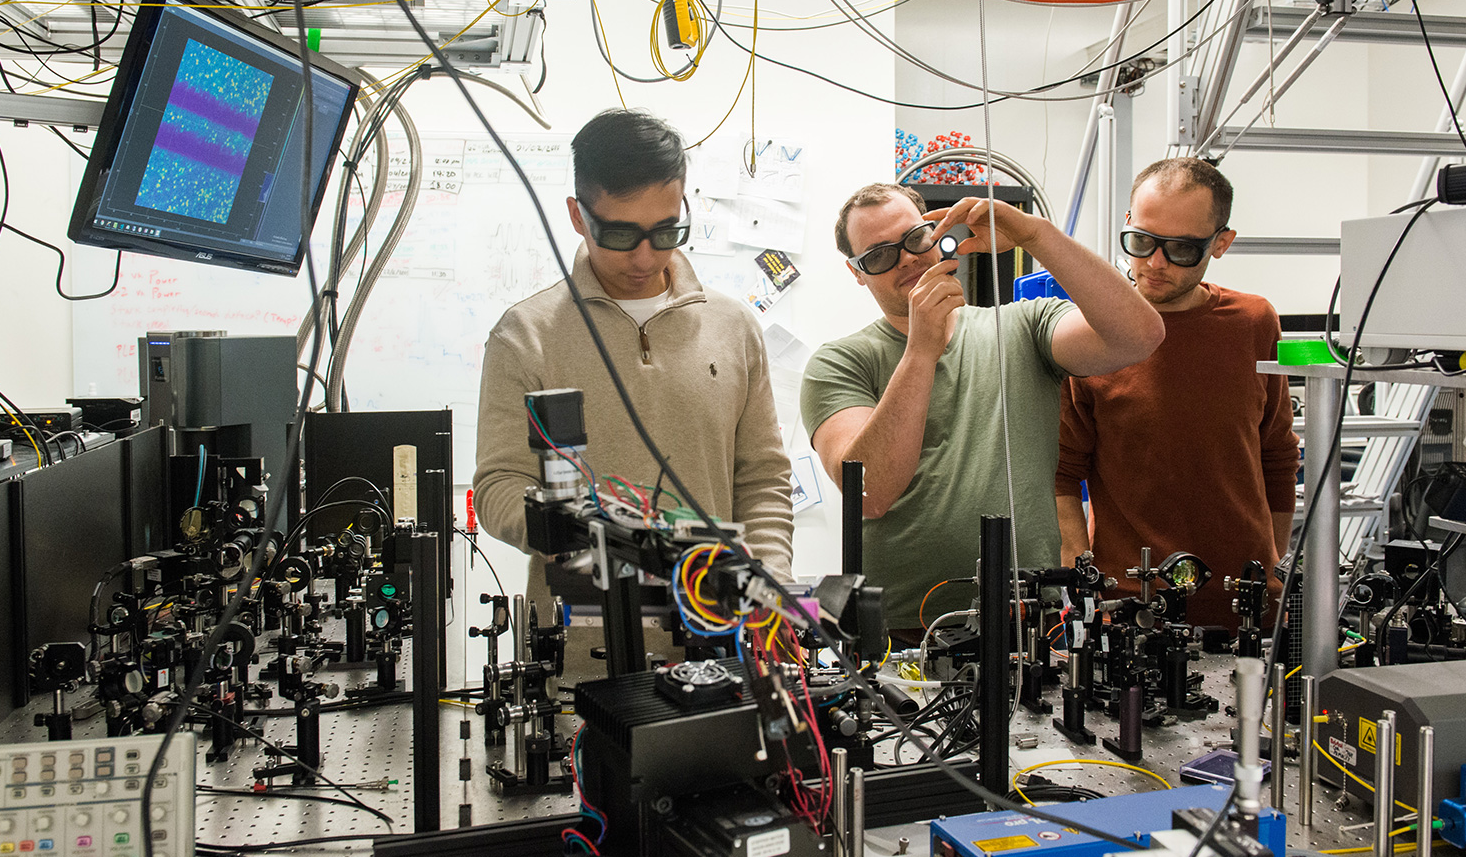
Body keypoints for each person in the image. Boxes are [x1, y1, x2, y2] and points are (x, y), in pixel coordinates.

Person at [473, 109, 795, 669]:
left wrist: (769, 590)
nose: (645, 257)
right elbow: (499, 486)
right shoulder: (525, 335)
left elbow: (762, 479)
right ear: (578, 215)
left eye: (666, 231)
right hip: (579, 659)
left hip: (718, 649)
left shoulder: (734, 327)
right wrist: (579, 528)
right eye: (620, 234)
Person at [800, 183, 1164, 635]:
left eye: (916, 239)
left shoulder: (1023, 325)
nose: (908, 259)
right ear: (857, 273)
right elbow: (869, 494)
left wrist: (1035, 235)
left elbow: (1139, 336)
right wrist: (920, 352)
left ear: (937, 232)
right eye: (878, 256)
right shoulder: (839, 362)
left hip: (1029, 619)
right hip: (905, 628)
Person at [1054, 158, 1299, 630]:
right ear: (1127, 224)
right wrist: (1083, 588)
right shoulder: (1088, 333)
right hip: (1128, 607)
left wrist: (1270, 569)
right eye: (1141, 242)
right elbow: (1064, 473)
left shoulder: (1253, 322)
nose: (1155, 263)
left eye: (1182, 249)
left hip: (1244, 607)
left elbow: (1278, 456)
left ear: (1221, 243)